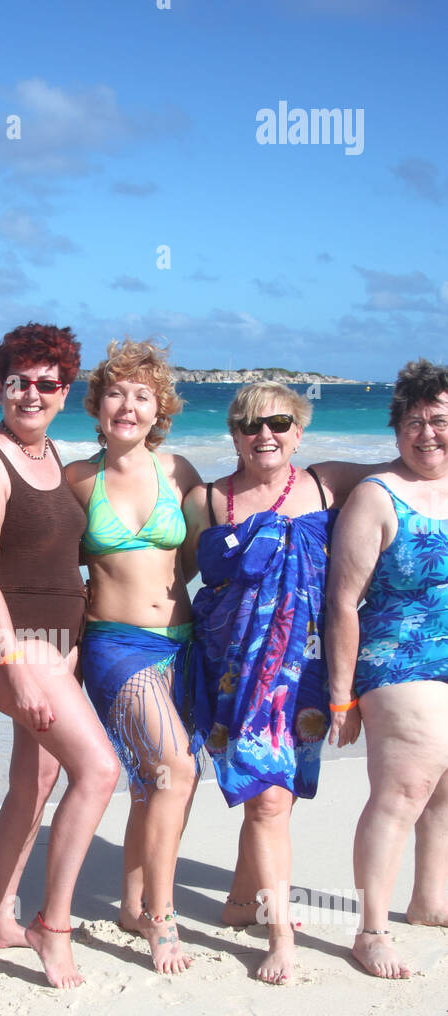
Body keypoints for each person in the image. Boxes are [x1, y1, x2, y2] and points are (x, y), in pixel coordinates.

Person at [0, 323, 120, 989]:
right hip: (4, 640)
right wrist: (17, 663)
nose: (31, 393)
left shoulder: (55, 458)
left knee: (39, 780)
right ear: (0, 385)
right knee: (100, 770)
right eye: (17, 381)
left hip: (56, 643)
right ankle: (54, 924)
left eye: (46, 383)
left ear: (64, 389)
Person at [183, 383, 362, 984]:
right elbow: (169, 574)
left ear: (300, 431)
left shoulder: (326, 483)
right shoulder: (206, 500)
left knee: (275, 796)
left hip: (304, 671)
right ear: (233, 434)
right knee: (266, 799)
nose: (266, 435)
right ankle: (279, 932)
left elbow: (413, 471)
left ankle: (242, 903)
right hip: (231, 669)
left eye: (280, 423)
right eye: (250, 425)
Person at [66, 340, 202, 974]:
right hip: (115, 645)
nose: (128, 405)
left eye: (142, 396)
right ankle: (162, 918)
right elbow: (50, 572)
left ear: (159, 410)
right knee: (177, 768)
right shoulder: (76, 481)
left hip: (184, 641)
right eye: (116, 392)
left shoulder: (180, 474)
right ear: (97, 406)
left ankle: (129, 902)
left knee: (154, 782)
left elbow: (201, 561)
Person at [327, 358, 448, 979]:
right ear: (397, 428)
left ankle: (430, 901)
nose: (427, 433)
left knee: (446, 787)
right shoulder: (377, 494)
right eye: (414, 421)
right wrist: (342, 697)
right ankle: (370, 929)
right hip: (399, 652)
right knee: (404, 787)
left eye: (440, 420)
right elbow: (343, 600)